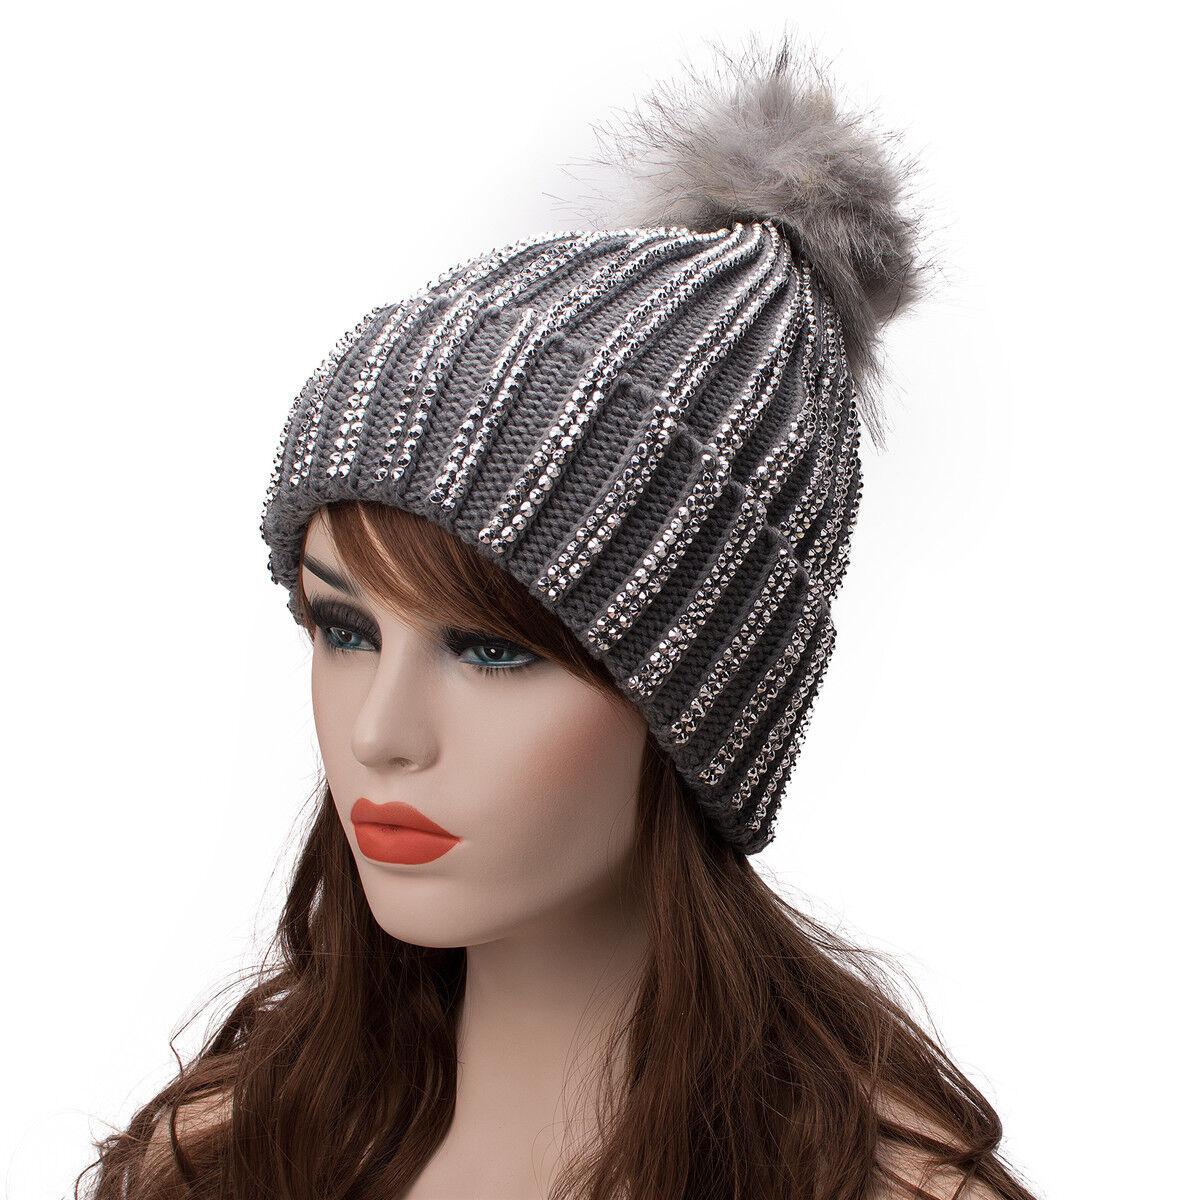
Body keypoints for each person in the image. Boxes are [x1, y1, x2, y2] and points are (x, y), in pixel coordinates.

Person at [76, 33, 1038, 1200]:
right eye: (344, 630)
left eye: (491, 650)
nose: (381, 733)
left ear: (704, 710)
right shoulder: (221, 1160)